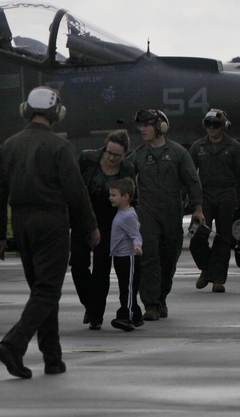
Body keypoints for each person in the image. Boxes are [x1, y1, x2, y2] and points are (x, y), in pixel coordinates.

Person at [0, 87, 99, 379]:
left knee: (41, 291)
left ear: (26, 110)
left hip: (22, 224)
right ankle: (13, 344)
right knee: (48, 290)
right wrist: (90, 227)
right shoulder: (60, 147)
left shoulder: (8, 146)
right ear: (56, 113)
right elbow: (76, 193)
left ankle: (53, 358)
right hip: (51, 222)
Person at [129, 109, 204, 320]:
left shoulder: (179, 153)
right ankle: (150, 304)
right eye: (141, 125)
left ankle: (161, 298)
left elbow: (192, 181)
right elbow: (124, 177)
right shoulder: (139, 155)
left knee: (169, 258)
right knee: (149, 256)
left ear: (160, 127)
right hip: (147, 212)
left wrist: (198, 209)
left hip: (172, 212)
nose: (142, 129)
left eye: (147, 125)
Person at [72, 130, 135, 330]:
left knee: (102, 269)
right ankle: (90, 304)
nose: (111, 157)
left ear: (124, 155)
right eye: (109, 152)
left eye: (117, 155)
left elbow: (131, 197)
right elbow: (74, 186)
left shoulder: (127, 169)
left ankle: (96, 315)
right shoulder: (87, 159)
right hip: (84, 219)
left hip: (110, 222)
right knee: (78, 266)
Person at [190, 109, 240, 293]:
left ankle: (218, 278)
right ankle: (206, 268)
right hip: (205, 196)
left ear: (223, 126)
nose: (211, 128)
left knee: (223, 237)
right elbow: (190, 175)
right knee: (197, 236)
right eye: (208, 124)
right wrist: (191, 200)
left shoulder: (233, 147)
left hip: (226, 195)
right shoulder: (198, 146)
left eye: (215, 125)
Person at [108, 177, 143, 332]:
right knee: (126, 287)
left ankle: (125, 316)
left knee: (127, 288)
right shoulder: (122, 212)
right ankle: (136, 314)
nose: (110, 198)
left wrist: (137, 246)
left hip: (128, 257)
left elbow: (136, 234)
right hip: (120, 257)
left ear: (125, 197)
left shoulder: (128, 215)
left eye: (114, 195)